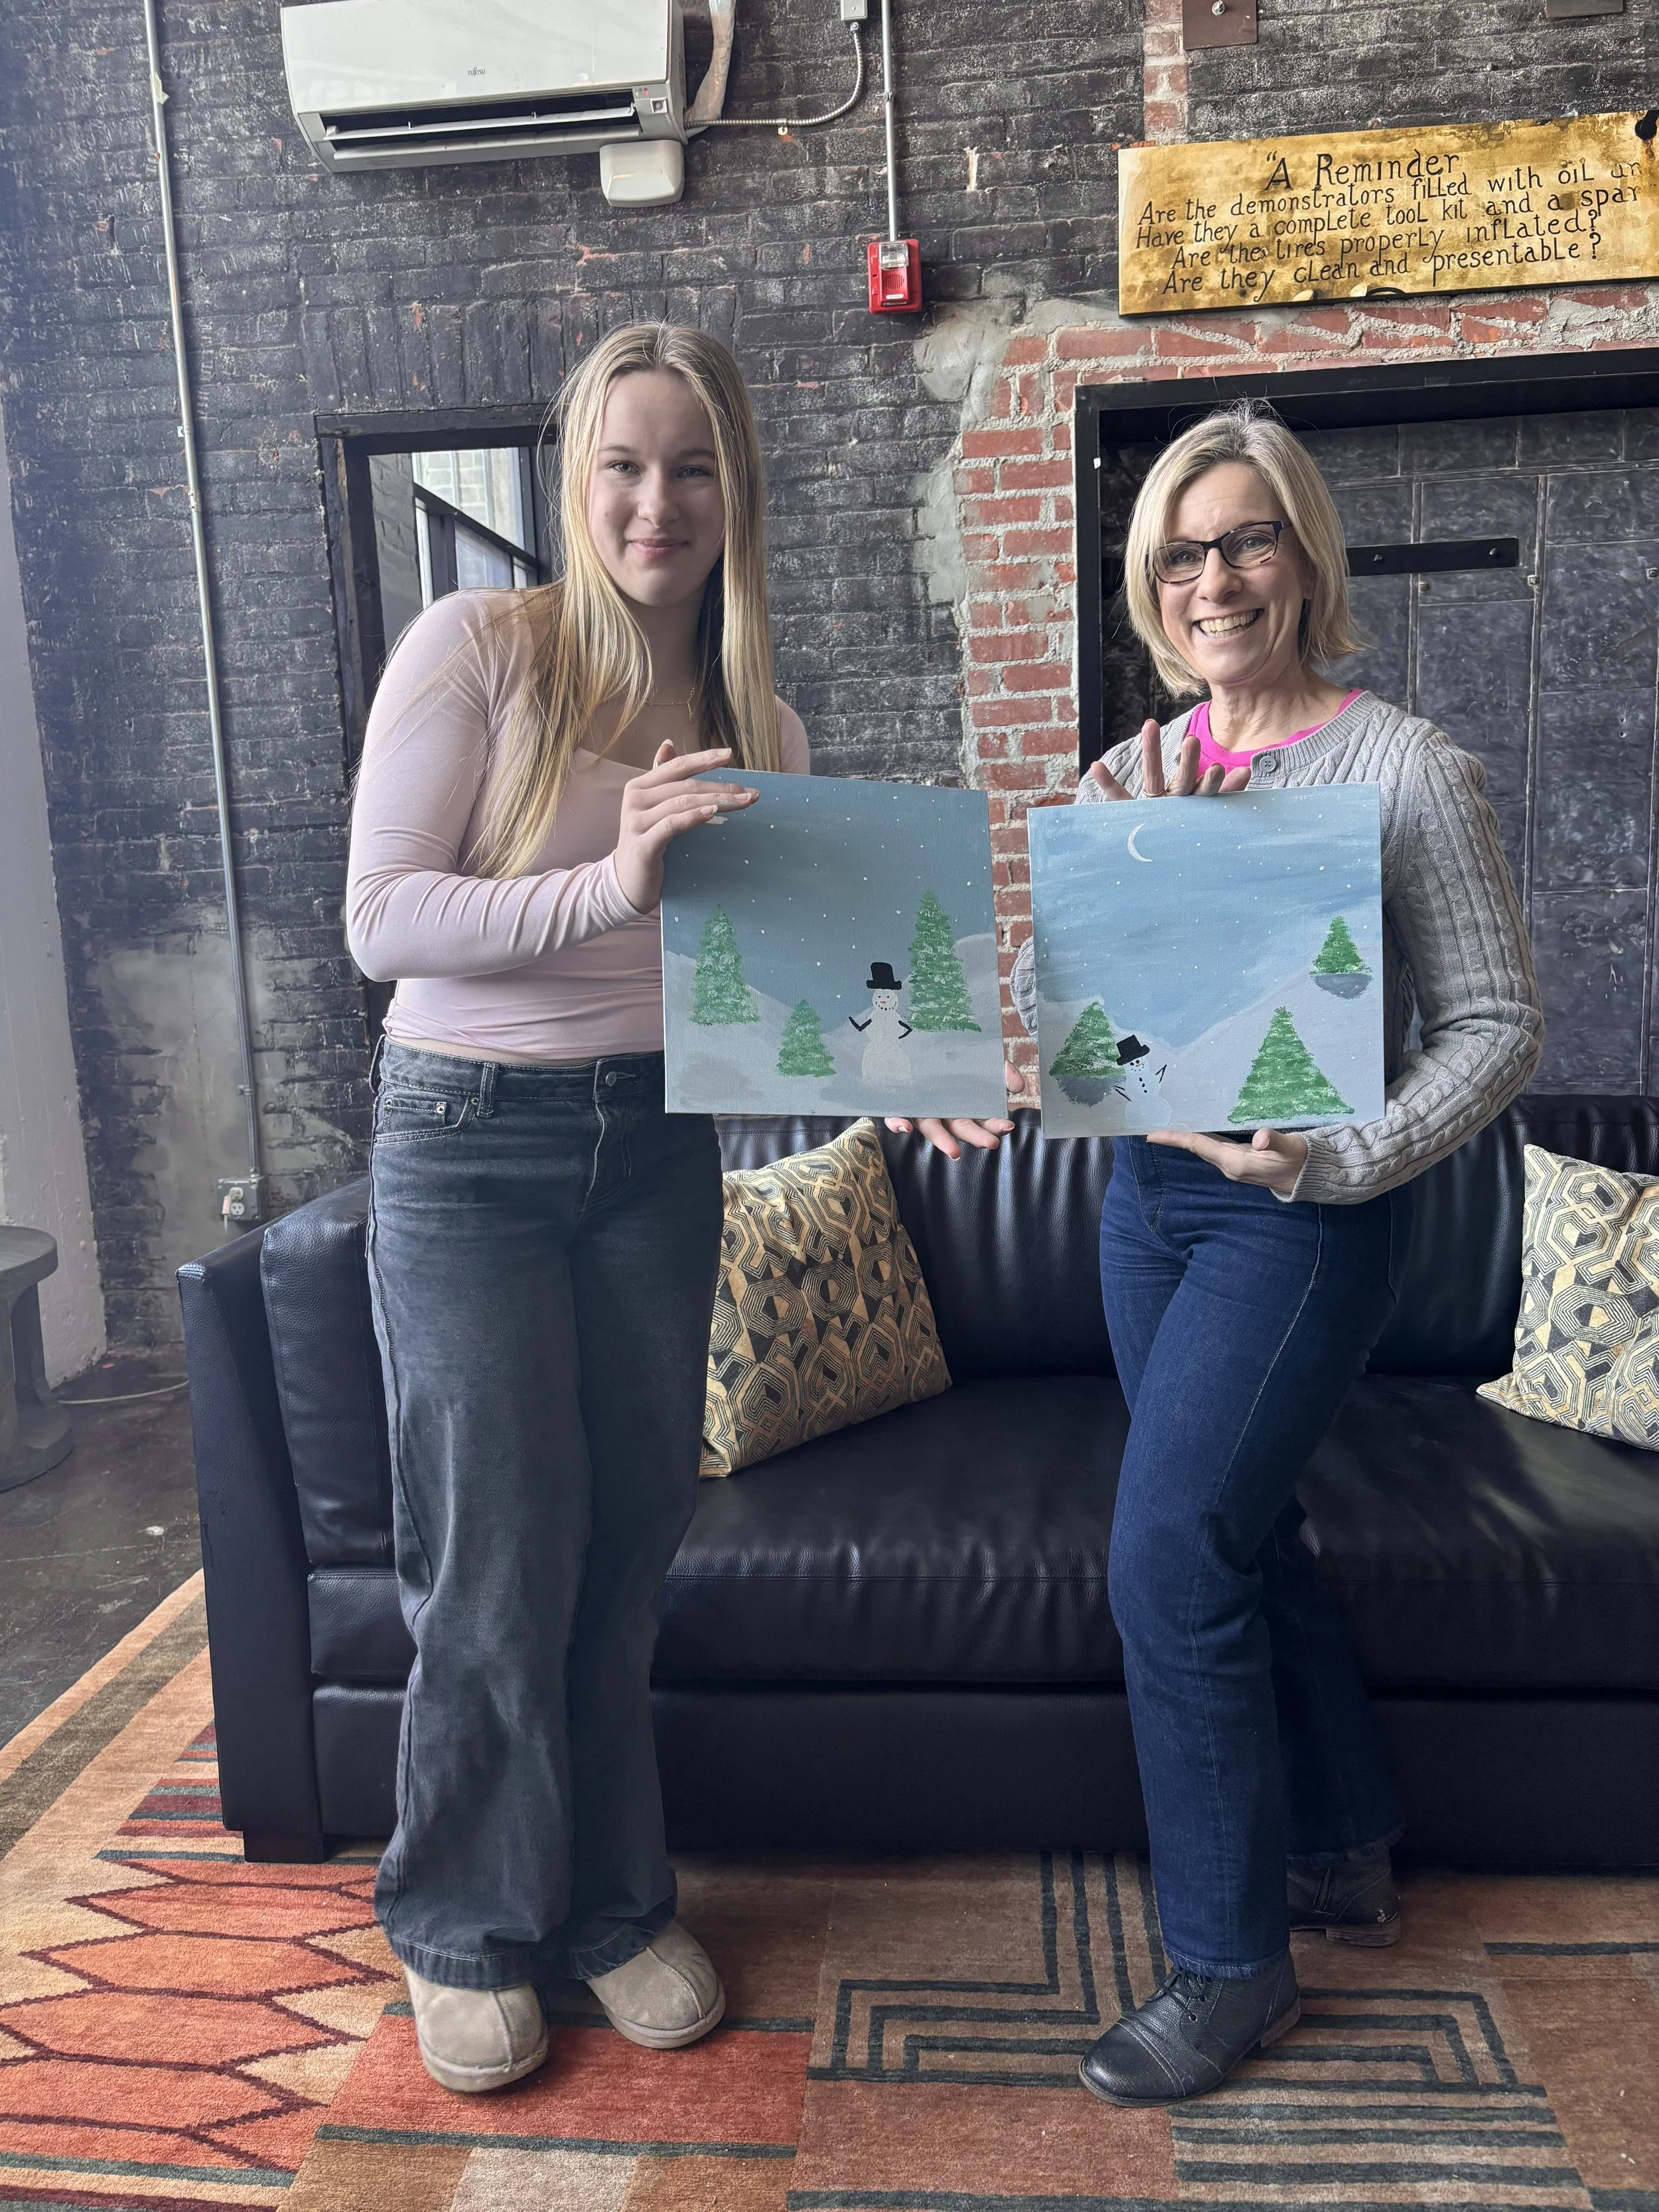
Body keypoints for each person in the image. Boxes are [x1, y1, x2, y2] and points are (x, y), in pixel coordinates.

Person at [1009, 401, 1542, 2106]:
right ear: (1147, 585)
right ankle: (1337, 1837)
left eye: (1243, 540)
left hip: (1303, 1217)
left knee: (1167, 1553)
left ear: (1303, 556)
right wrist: (1095, 917)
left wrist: (1341, 1155)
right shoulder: (1134, 769)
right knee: (1246, 1527)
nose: (1212, 580)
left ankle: (1229, 1966)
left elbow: (1496, 1026)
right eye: (1178, 554)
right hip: (1147, 1206)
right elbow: (1070, 1006)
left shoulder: (1403, 769)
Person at [344, 323, 810, 2095]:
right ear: (574, 480)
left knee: (625, 1547)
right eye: (623, 464)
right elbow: (383, 918)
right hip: (464, 1139)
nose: (654, 502)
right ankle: (465, 1922)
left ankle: (612, 1905)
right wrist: (607, 883)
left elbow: (777, 993)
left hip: (654, 1148)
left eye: (692, 466)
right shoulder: (481, 647)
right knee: (493, 1552)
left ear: (735, 490)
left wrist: (916, 1054)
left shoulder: (761, 724)